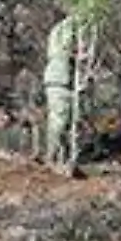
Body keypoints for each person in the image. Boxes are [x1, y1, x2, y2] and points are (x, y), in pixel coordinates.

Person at [42, 11, 77, 170]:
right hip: (60, 79)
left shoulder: (56, 30)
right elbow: (67, 48)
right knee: (60, 120)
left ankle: (59, 157)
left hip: (55, 78)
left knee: (58, 119)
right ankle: (52, 157)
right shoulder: (65, 28)